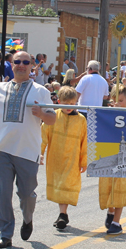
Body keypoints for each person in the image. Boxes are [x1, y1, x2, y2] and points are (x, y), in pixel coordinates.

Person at [0, 52, 56, 248]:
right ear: (11, 65)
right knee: (3, 193)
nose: (21, 65)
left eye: (25, 62)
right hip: (2, 149)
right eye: (17, 62)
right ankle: (5, 234)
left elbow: (52, 118)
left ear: (32, 65)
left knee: (26, 194)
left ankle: (28, 217)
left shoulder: (41, 91)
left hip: (28, 151)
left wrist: (41, 113)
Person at [40, 86, 87, 229]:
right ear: (59, 101)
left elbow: (84, 141)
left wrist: (84, 161)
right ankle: (62, 214)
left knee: (67, 185)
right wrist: (40, 152)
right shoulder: (53, 116)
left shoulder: (81, 120)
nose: (69, 107)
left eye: (72, 104)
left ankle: (63, 214)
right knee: (59, 186)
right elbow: (43, 136)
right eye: (66, 103)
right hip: (56, 159)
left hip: (72, 160)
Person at [101, 85, 126, 234]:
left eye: (121, 100)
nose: (118, 103)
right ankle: (110, 211)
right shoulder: (107, 114)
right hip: (110, 156)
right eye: (115, 101)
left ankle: (116, 221)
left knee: (121, 187)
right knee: (109, 185)